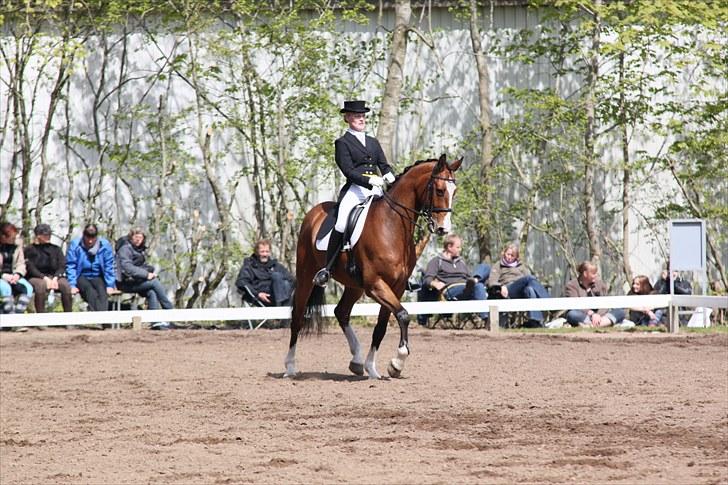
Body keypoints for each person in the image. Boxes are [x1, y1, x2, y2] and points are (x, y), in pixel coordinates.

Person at [313, 100, 396, 287]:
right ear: (347, 118)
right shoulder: (342, 143)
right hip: (356, 189)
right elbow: (348, 170)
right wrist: (368, 180)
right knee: (342, 222)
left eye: (363, 116)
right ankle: (327, 268)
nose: (361, 119)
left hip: (376, 190)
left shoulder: (373, 142)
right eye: (357, 116)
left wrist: (390, 176)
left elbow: (383, 164)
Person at [420, 233, 489, 325]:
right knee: (477, 286)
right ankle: (486, 319)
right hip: (451, 289)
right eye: (458, 247)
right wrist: (435, 284)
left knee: (484, 268)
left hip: (466, 285)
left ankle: (486, 319)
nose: (460, 250)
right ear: (449, 247)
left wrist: (472, 280)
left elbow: (468, 276)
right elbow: (427, 279)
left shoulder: (461, 261)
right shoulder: (436, 261)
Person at [487, 243, 551, 327]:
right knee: (529, 278)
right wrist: (501, 286)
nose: (509, 257)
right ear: (504, 253)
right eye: (508, 254)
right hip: (508, 289)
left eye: (512, 255)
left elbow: (531, 282)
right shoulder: (498, 265)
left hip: (521, 291)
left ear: (516, 257)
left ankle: (535, 321)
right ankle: (550, 303)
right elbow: (492, 281)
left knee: (530, 289)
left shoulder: (521, 266)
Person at [115, 227, 174, 318]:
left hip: (134, 280)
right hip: (124, 282)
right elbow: (127, 268)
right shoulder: (125, 248)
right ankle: (170, 311)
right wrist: (146, 275)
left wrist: (148, 269)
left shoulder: (139, 249)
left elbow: (139, 265)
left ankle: (156, 321)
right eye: (136, 237)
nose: (138, 240)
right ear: (131, 237)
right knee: (154, 282)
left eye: (140, 238)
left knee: (151, 292)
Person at [65, 224, 116, 311]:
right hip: (81, 275)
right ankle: (104, 318)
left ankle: (104, 320)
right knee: (89, 291)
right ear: (84, 235)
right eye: (88, 237)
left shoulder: (104, 245)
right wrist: (72, 284)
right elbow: (71, 265)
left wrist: (110, 285)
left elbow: (109, 266)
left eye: (92, 238)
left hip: (97, 275)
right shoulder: (75, 245)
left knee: (102, 291)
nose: (90, 241)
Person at [24, 223, 73, 313]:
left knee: (65, 285)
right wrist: (45, 278)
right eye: (45, 235)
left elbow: (62, 265)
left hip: (54, 276)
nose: (48, 236)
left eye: (49, 234)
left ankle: (69, 318)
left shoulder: (56, 249)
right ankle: (41, 318)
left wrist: (55, 278)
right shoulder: (29, 249)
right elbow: (31, 268)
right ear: (38, 235)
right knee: (41, 285)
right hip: (36, 277)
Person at [563, 261, 626, 327]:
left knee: (620, 311)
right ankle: (603, 324)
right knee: (572, 314)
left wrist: (598, 315)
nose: (596, 275)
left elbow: (606, 303)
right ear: (585, 273)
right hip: (584, 315)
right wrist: (592, 314)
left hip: (601, 316)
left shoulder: (600, 284)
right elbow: (575, 305)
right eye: (593, 273)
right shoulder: (572, 285)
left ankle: (594, 325)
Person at [235, 239, 294, 307]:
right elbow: (242, 283)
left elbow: (291, 280)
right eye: (262, 252)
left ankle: (282, 307)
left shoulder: (276, 266)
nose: (265, 254)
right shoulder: (249, 266)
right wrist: (258, 294)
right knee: (276, 276)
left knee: (285, 282)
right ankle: (282, 309)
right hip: (261, 297)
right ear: (257, 252)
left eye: (267, 252)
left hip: (278, 297)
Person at [0, 222, 33, 314]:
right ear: (3, 237)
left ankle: (17, 315)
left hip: (13, 275)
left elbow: (21, 263)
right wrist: (3, 276)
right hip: (2, 277)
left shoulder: (17, 246)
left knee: (28, 288)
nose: (14, 239)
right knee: (5, 288)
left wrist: (18, 274)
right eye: (12, 237)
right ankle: (10, 317)